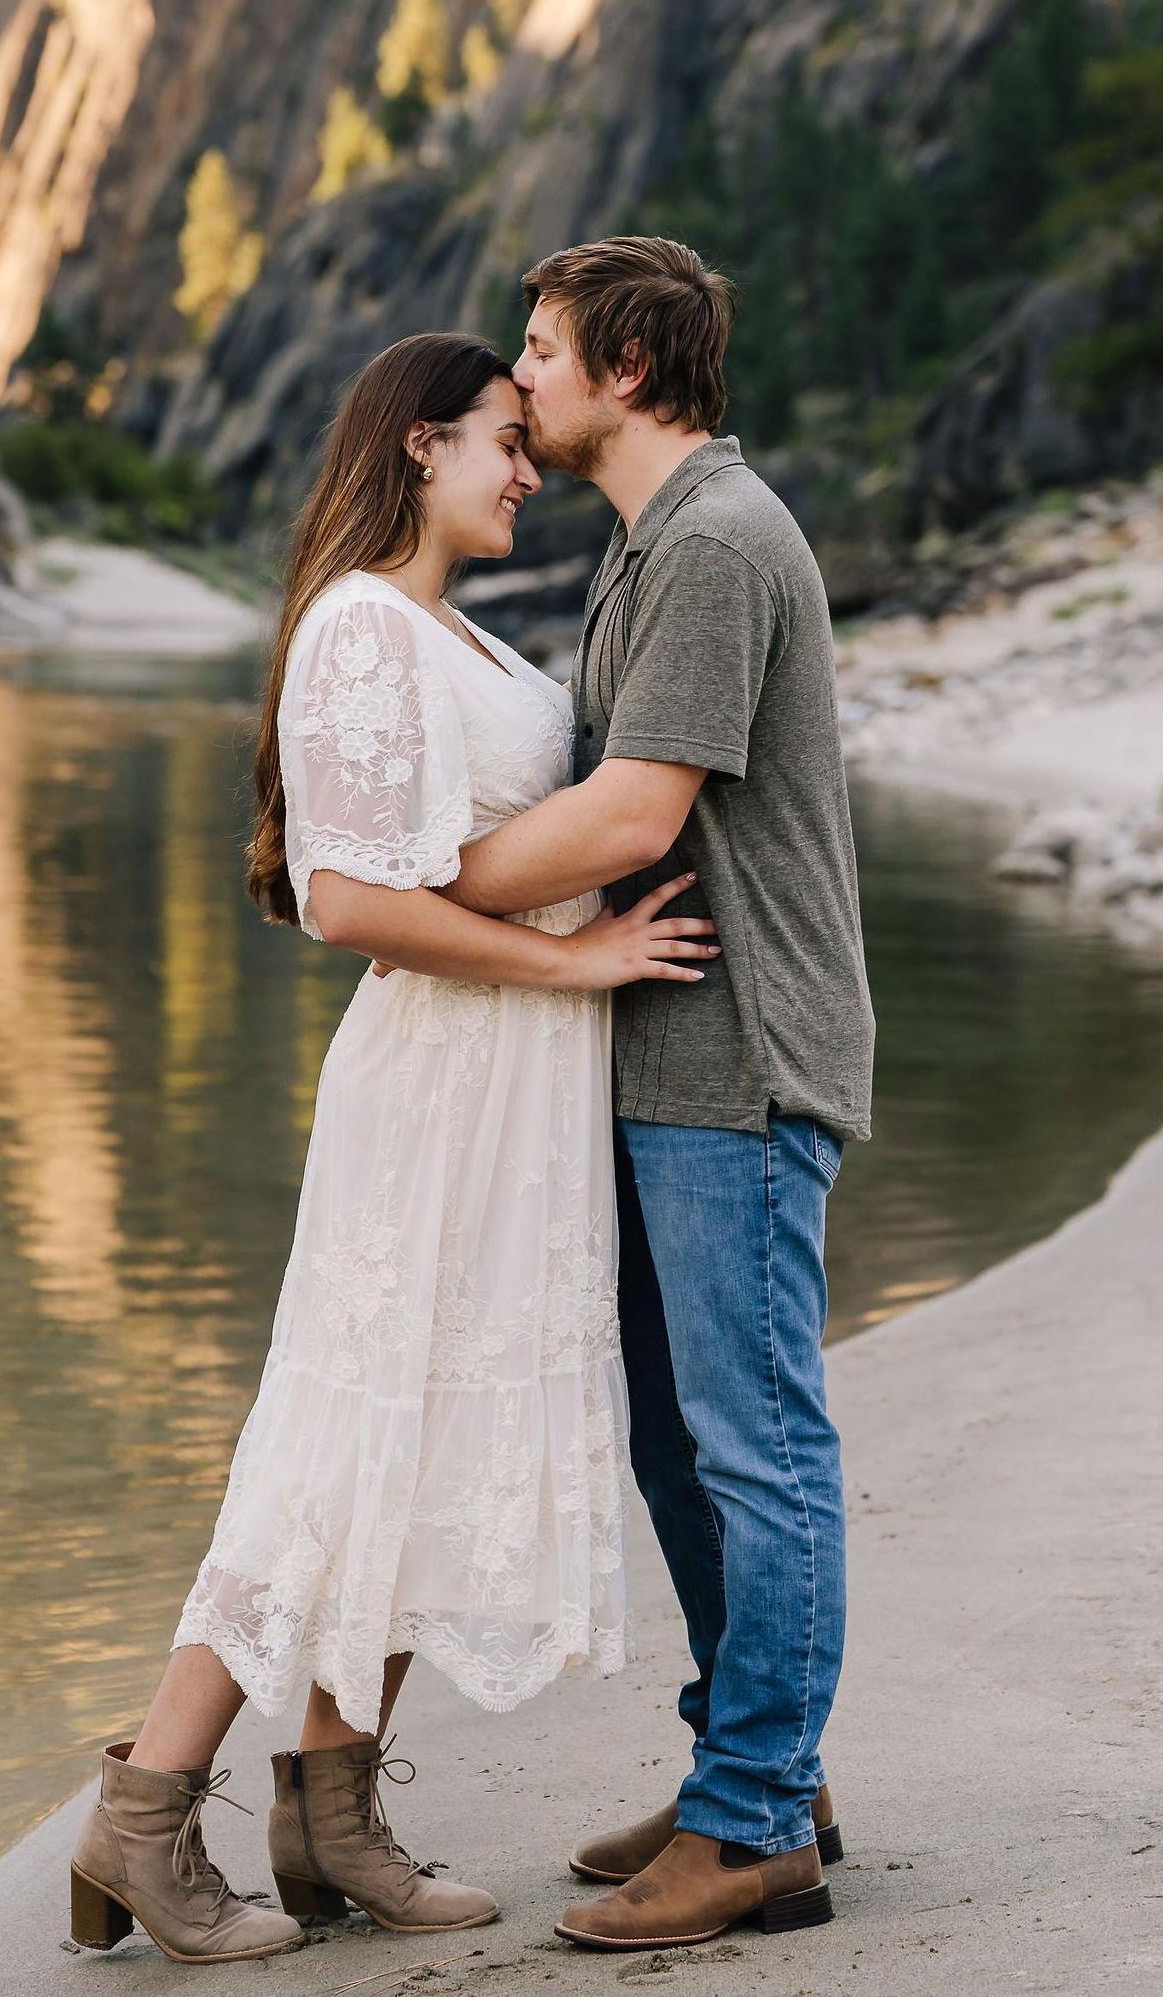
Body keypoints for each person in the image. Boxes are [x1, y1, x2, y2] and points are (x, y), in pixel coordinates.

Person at [67, 332, 720, 1965]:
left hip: (516, 1093)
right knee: (336, 1447)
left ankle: (331, 1817)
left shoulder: (447, 630)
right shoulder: (362, 629)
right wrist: (579, 960)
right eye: (505, 440)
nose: (527, 468)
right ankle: (142, 1817)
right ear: (419, 448)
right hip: (440, 1087)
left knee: (419, 1456)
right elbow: (349, 899)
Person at [436, 236, 876, 1951]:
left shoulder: (715, 541)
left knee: (755, 1449)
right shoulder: (653, 541)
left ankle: (757, 1826)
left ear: (625, 367)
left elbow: (630, 818)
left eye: (540, 351)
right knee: (677, 1440)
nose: (517, 380)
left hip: (743, 1056)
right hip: (670, 1053)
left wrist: (416, 882)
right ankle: (761, 1774)